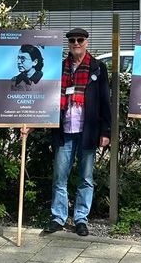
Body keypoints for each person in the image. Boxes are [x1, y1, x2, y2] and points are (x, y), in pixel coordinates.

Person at [44, 27, 111, 236]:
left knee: (86, 178)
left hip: (88, 130)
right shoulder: (60, 67)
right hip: (65, 129)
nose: (76, 43)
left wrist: (106, 130)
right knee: (60, 176)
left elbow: (104, 101)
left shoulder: (97, 67)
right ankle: (58, 217)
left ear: (86, 42)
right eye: (72, 40)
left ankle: (81, 218)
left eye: (80, 39)